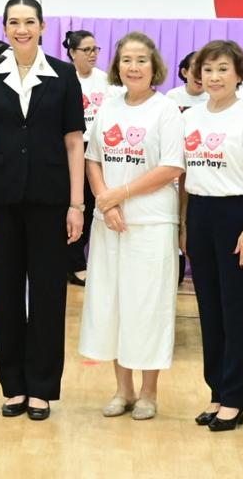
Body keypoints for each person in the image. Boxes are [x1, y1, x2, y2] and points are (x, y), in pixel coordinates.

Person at [0, 0, 84, 420]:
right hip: (0, 202)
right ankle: (13, 385)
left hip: (51, 201)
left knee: (50, 295)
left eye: (29, 22)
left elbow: (74, 142)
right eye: (14, 22)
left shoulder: (64, 75)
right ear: (4, 28)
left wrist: (77, 204)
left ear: (43, 26)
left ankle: (42, 387)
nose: (22, 29)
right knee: (6, 294)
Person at [80, 32, 185, 420]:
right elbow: (93, 158)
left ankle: (148, 392)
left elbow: (171, 167)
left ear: (154, 65)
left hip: (151, 222)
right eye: (126, 60)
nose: (134, 67)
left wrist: (119, 193)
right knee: (112, 304)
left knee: (147, 306)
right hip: (109, 223)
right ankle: (122, 389)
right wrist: (105, 201)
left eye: (141, 60)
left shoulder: (166, 109)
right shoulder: (108, 107)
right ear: (117, 66)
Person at [179, 40, 243, 432]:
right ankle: (217, 392)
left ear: (238, 74)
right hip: (200, 213)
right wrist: (184, 224)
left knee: (237, 310)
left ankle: (235, 397)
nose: (214, 77)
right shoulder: (190, 118)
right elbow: (184, 178)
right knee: (209, 309)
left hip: (238, 214)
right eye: (207, 69)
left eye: (223, 69)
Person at [64, 29, 111, 285]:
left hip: (98, 151)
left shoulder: (106, 81)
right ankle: (72, 263)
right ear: (72, 52)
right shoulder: (64, 78)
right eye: (87, 50)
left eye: (96, 49)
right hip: (70, 149)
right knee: (71, 204)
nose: (93, 54)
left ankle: (80, 261)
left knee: (92, 206)